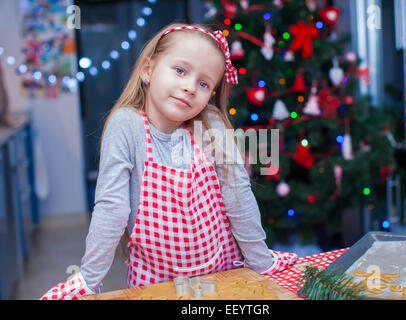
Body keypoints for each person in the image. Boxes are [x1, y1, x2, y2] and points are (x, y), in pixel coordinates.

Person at [40, 23, 297, 300]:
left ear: (211, 94)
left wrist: (261, 263)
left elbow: (238, 194)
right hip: (153, 284)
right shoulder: (126, 126)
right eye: (180, 71)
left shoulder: (210, 123)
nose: (189, 87)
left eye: (203, 83)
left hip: (223, 276)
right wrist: (89, 281)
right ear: (148, 70)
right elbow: (111, 209)